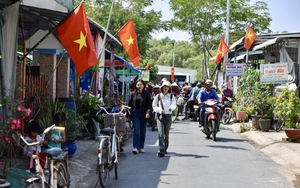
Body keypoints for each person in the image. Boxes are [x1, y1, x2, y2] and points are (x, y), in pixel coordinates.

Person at [152, 81, 176, 157]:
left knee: (166, 133)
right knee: (160, 133)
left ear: (169, 88)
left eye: (167, 87)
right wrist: (159, 110)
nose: (165, 88)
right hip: (160, 116)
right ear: (162, 87)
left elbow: (174, 104)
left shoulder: (171, 96)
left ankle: (165, 148)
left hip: (168, 116)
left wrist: (170, 108)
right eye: (164, 86)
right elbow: (154, 105)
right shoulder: (158, 96)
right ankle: (161, 149)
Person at [128, 79, 152, 154]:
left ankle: (141, 147)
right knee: (136, 131)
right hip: (135, 113)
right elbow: (130, 105)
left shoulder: (147, 94)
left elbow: (149, 105)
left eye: (141, 84)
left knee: (143, 131)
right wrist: (128, 115)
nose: (139, 86)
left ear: (143, 85)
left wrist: (148, 112)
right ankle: (136, 147)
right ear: (136, 85)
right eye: (138, 84)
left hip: (144, 114)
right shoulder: (133, 94)